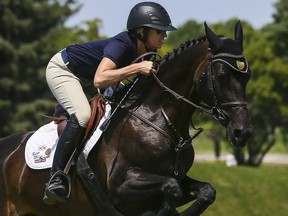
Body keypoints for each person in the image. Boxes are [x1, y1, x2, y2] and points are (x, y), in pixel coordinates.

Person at [43, 1, 177, 205]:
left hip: (86, 79)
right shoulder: (123, 44)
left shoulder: (145, 52)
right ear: (142, 31)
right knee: (82, 115)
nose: (164, 36)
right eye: (159, 31)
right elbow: (100, 79)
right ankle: (56, 177)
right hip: (63, 69)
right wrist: (136, 68)